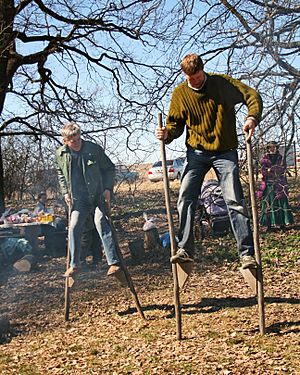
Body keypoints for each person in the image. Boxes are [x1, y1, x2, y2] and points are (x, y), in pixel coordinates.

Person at [155, 53, 263, 269]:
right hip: (196, 153)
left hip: (225, 151)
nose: (192, 81)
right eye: (188, 78)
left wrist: (252, 118)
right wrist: (166, 133)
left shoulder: (222, 84)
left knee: (233, 200)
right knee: (185, 198)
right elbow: (175, 125)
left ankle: (246, 254)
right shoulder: (180, 93)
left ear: (202, 71)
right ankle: (185, 249)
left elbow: (252, 95)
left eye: (195, 77)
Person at [55, 122, 121, 276]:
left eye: (78, 139)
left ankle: (113, 263)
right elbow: (60, 174)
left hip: (98, 195)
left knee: (101, 222)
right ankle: (75, 264)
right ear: (65, 141)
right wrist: (65, 192)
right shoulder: (60, 154)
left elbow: (110, 168)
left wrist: (107, 188)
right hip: (79, 200)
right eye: (73, 141)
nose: (77, 143)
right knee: (74, 226)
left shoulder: (93, 149)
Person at [257, 141, 294, 230]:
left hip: (279, 184)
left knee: (281, 203)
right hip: (268, 184)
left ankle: (282, 224)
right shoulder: (264, 159)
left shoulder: (280, 158)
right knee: (268, 204)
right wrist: (268, 171)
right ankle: (268, 225)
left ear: (277, 148)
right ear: (268, 148)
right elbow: (263, 171)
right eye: (270, 147)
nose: (272, 148)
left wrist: (274, 169)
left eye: (274, 147)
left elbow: (283, 168)